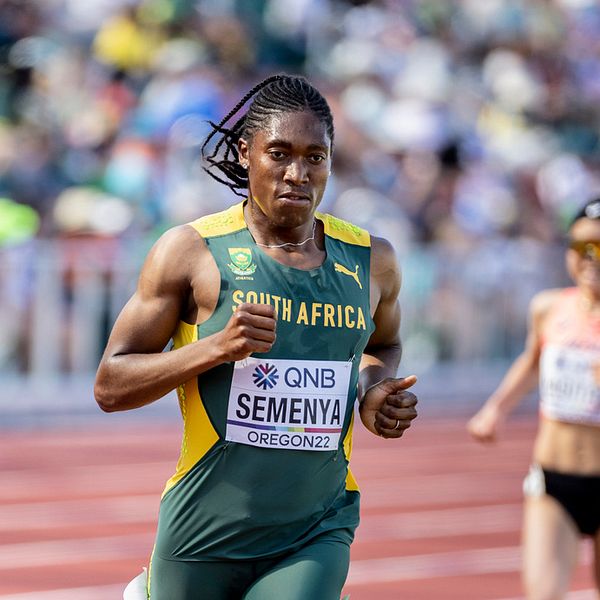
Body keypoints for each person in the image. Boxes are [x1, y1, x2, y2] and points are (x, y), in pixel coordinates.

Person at [95, 73, 418, 600]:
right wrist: (215, 347)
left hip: (315, 525)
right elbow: (111, 385)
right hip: (204, 526)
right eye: (279, 154)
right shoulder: (190, 252)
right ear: (246, 153)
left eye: (316, 157)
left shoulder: (371, 260)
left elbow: (382, 345)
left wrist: (374, 389)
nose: (298, 173)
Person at [467, 198, 600, 599]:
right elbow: (532, 360)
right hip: (553, 481)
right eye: (582, 248)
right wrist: (495, 410)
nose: (591, 258)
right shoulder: (548, 308)